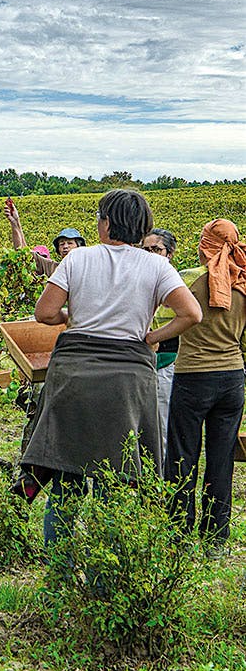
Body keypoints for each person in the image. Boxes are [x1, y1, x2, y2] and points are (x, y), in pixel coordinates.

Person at [20, 190, 201, 549]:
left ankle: (61, 573)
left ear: (105, 224)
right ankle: (106, 581)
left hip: (74, 377)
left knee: (66, 482)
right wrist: (151, 335)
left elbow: (44, 314)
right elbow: (191, 314)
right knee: (113, 482)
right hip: (126, 383)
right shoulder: (157, 266)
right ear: (142, 227)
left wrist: (74, 315)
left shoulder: (78, 259)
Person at [165, 219, 246, 559]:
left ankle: (179, 535)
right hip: (232, 379)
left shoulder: (185, 280)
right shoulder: (243, 281)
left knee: (182, 457)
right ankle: (216, 539)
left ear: (204, 245)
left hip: (192, 377)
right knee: (222, 458)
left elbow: (159, 322)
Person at [142, 228, 179, 458]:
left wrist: (153, 337)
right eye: (145, 250)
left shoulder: (176, 282)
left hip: (166, 361)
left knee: (162, 423)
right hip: (139, 364)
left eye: (156, 249)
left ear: (169, 253)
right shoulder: (137, 279)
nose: (150, 254)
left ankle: (160, 479)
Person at [3, 197, 85, 276]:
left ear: (79, 247)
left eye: (70, 243)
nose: (65, 247)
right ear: (58, 250)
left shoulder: (88, 270)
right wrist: (15, 222)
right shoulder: (53, 268)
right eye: (62, 244)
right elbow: (23, 253)